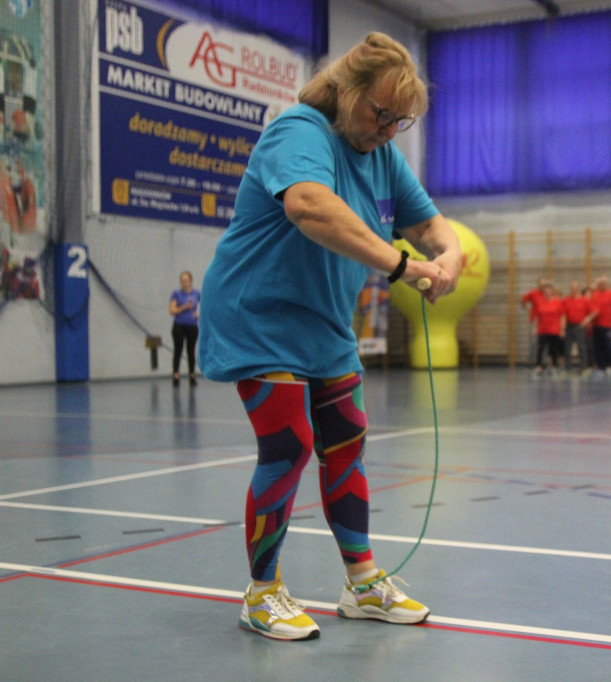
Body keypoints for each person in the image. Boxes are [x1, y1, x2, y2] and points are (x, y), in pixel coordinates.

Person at [198, 33, 461, 642]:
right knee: (289, 444)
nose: (387, 129)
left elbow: (428, 221)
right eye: (379, 113)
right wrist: (401, 265)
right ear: (347, 90)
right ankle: (262, 594)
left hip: (323, 322)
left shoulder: (383, 154)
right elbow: (310, 206)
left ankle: (362, 584)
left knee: (345, 440)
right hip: (257, 314)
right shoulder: (299, 130)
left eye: (401, 121)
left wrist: (445, 256)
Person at [169, 271, 201, 387]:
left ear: (190, 281)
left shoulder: (196, 293)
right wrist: (184, 307)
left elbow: (206, 304)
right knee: (178, 350)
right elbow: (172, 310)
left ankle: (192, 375)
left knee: (191, 351)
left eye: (186, 281)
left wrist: (199, 314)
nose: (184, 283)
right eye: (182, 281)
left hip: (192, 326)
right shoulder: (176, 294)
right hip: (179, 326)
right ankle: (176, 374)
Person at [584, 276, 611, 374]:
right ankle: (600, 366)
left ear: (607, 284)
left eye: (603, 283)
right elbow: (592, 309)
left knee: (608, 345)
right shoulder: (595, 295)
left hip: (607, 324)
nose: (601, 285)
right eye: (599, 284)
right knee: (597, 346)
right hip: (596, 325)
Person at [532, 282, 564, 376]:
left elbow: (562, 315)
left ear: (551, 291)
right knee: (541, 348)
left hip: (554, 329)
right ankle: (539, 366)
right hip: (543, 329)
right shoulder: (540, 302)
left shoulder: (558, 301)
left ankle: (554, 366)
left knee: (553, 349)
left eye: (548, 289)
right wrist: (535, 328)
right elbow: (537, 316)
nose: (547, 291)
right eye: (545, 290)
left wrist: (562, 328)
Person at [561, 279, 591, 371]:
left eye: (575, 288)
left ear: (578, 289)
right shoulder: (565, 300)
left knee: (581, 346)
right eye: (571, 288)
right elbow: (563, 314)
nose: (573, 290)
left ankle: (583, 367)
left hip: (580, 326)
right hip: (569, 326)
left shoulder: (584, 300)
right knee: (567, 347)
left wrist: (586, 322)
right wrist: (562, 328)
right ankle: (567, 368)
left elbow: (590, 313)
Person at [521, 276, 549, 367]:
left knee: (544, 343)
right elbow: (523, 299)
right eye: (542, 284)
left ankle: (542, 362)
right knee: (533, 342)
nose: (543, 286)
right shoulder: (534, 293)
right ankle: (531, 362)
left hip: (545, 321)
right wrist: (526, 307)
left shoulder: (548, 294)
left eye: (545, 285)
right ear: (538, 285)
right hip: (534, 320)